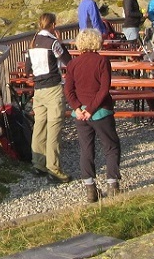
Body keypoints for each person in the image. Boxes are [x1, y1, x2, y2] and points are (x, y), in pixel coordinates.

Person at [64, 28, 121, 202]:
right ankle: (112, 184)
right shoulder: (102, 61)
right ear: (97, 42)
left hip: (80, 114)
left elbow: (68, 90)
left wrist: (77, 108)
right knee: (111, 146)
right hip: (100, 111)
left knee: (86, 149)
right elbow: (104, 89)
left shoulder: (73, 64)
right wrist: (91, 109)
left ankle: (90, 189)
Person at [26, 12, 73, 183]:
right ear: (53, 25)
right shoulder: (52, 43)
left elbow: (28, 69)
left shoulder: (32, 43)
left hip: (38, 90)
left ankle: (38, 163)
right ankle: (54, 168)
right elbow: (69, 62)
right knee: (54, 128)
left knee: (39, 126)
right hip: (53, 88)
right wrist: (60, 42)